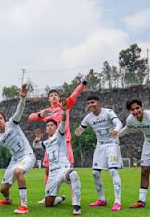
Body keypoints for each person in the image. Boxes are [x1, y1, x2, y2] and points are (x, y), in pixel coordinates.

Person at [28, 74, 88, 204]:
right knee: (48, 169)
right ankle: (48, 194)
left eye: (56, 94)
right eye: (51, 95)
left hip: (64, 142)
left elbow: (74, 94)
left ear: (59, 98)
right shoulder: (47, 112)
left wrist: (82, 84)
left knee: (69, 169)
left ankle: (74, 197)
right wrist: (39, 114)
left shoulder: (64, 106)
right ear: (48, 99)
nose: (53, 96)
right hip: (51, 146)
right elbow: (30, 117)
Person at [0, 84, 36, 214]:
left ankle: (24, 205)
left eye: (1, 118)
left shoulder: (12, 124)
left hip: (27, 155)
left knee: (19, 172)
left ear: (4, 119)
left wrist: (23, 97)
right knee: (3, 189)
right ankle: (8, 200)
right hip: (14, 160)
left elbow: (19, 110)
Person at [74, 95, 123, 211]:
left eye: (93, 102)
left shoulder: (108, 112)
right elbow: (80, 130)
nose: (91, 105)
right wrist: (75, 133)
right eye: (89, 103)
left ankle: (117, 201)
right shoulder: (88, 118)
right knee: (95, 173)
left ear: (99, 103)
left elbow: (119, 123)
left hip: (112, 144)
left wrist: (116, 130)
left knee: (113, 171)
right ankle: (101, 199)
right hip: (100, 146)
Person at [33, 100, 81, 215]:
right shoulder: (46, 142)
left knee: (73, 174)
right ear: (46, 129)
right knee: (48, 204)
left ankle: (77, 205)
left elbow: (63, 121)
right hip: (53, 174)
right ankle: (60, 199)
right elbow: (35, 145)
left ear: (56, 127)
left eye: (52, 125)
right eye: (47, 126)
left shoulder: (60, 134)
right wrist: (37, 139)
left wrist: (64, 110)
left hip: (63, 169)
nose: (49, 127)